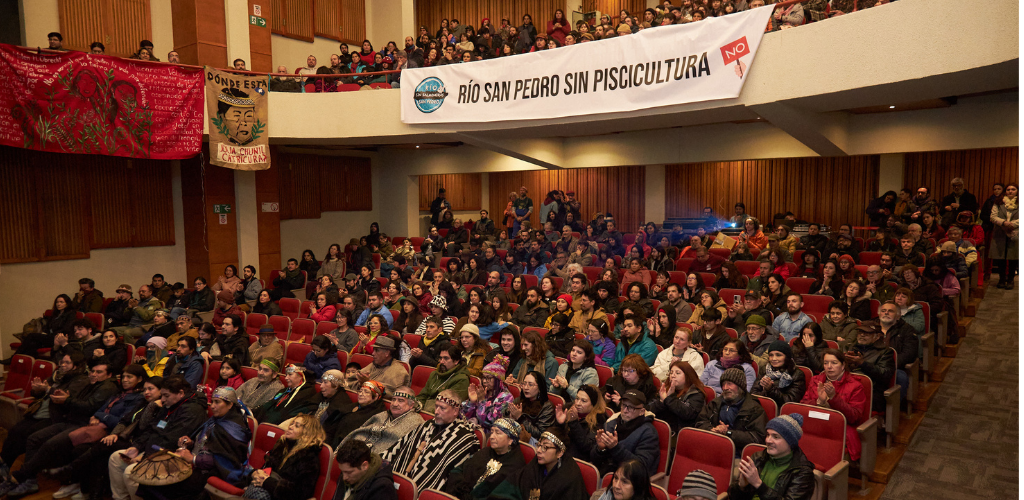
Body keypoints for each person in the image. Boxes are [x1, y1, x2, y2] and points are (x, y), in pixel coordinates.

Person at [107, 375, 208, 500]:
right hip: (153, 450)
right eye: (162, 395)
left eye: (166, 395)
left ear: (181, 393)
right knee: (115, 459)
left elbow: (171, 441)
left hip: (171, 456)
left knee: (131, 473)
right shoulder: (171, 405)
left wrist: (145, 457)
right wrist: (137, 447)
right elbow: (152, 428)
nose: (162, 399)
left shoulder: (193, 410)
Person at [384, 390, 480, 494]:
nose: (436, 412)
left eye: (442, 408)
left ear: (455, 411)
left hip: (431, 492)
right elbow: (399, 447)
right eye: (436, 406)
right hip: (401, 483)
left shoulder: (464, 437)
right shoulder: (428, 425)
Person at [800, 349, 868, 461]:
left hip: (839, 429)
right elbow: (803, 405)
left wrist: (833, 398)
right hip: (816, 425)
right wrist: (819, 402)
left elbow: (854, 417)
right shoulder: (815, 380)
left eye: (834, 363)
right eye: (826, 363)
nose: (829, 367)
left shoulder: (855, 386)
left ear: (843, 365)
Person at [730, 413, 815, 500]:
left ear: (790, 442)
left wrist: (758, 484)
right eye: (768, 435)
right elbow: (733, 497)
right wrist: (741, 487)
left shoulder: (802, 472)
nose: (768, 440)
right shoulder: (758, 457)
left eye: (776, 437)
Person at [488, 428, 588, 500]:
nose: (539, 450)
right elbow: (514, 484)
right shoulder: (535, 465)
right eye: (539, 445)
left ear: (559, 453)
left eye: (545, 447)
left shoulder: (570, 478)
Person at [240, 414, 324, 500]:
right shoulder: (282, 446)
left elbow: (300, 493)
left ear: (307, 433)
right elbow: (266, 469)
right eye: (292, 423)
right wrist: (254, 474)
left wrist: (268, 482)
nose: (290, 427)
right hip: (263, 492)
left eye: (297, 426)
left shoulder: (309, 459)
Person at [445, 417, 527, 500]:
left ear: (510, 440)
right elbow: (459, 470)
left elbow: (503, 496)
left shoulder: (516, 467)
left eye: (498, 433)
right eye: (492, 432)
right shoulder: (485, 452)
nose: (491, 436)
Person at [696, 367, 767, 456]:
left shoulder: (754, 408)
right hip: (712, 447)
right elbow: (700, 422)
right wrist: (713, 429)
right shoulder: (715, 403)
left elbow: (758, 437)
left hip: (738, 454)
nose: (725, 388)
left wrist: (729, 433)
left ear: (740, 386)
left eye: (729, 384)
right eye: (723, 384)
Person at [342, 386, 424, 454]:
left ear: (411, 405)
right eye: (393, 399)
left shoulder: (416, 421)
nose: (395, 404)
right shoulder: (382, 415)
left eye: (401, 401)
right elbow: (362, 429)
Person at [329, 439, 398, 500]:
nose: (344, 477)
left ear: (364, 466)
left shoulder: (382, 488)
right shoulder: (347, 473)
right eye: (342, 471)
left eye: (349, 472)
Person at [461, 356, 515, 431]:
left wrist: (482, 401)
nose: (484, 381)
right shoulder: (483, 392)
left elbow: (491, 422)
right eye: (483, 377)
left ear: (498, 379)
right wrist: (471, 402)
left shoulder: (506, 397)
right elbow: (462, 416)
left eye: (489, 378)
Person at [650, 361, 706, 432]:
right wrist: (661, 401)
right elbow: (650, 410)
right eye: (671, 373)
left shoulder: (696, 394)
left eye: (677, 373)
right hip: (659, 430)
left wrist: (669, 399)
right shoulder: (665, 390)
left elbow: (687, 414)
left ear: (688, 376)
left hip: (681, 433)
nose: (673, 376)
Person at [752, 340, 807, 410]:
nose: (774, 359)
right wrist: (765, 390)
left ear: (787, 357)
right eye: (771, 355)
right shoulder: (765, 369)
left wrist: (771, 389)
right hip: (761, 408)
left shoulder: (796, 374)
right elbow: (753, 394)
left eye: (778, 355)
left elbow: (790, 402)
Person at [417, 343, 470, 412]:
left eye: (446, 358)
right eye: (440, 358)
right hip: (424, 410)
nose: (441, 361)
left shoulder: (462, 379)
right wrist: (417, 406)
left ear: (456, 361)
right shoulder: (434, 374)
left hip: (440, 413)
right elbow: (422, 395)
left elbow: (448, 406)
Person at [507, 371, 555, 441]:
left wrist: (520, 418)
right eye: (524, 384)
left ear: (539, 388)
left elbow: (540, 434)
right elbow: (505, 418)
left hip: (534, 442)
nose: (526, 387)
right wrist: (511, 417)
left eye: (530, 384)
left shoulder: (547, 407)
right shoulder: (519, 400)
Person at [990, 183, 1019, 288]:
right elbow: (993, 217)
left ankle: (1011, 280)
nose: (1010, 191)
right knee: (1000, 257)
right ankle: (1001, 279)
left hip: (1015, 232)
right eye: (1008, 189)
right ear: (1005, 191)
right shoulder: (998, 202)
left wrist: (1013, 224)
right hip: (1000, 231)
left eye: (1013, 189)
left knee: (1013, 257)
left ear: (1017, 191)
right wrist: (1003, 223)